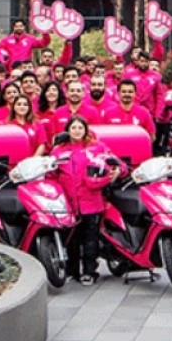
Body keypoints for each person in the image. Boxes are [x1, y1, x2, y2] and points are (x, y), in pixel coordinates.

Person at [51, 117, 121, 285]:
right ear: (68, 130)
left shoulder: (98, 148)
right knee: (71, 239)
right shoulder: (58, 152)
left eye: (80, 127)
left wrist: (117, 171)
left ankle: (90, 271)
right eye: (73, 127)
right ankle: (72, 271)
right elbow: (50, 173)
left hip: (92, 201)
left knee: (91, 239)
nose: (76, 130)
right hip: (68, 203)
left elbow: (117, 163)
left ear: (86, 129)